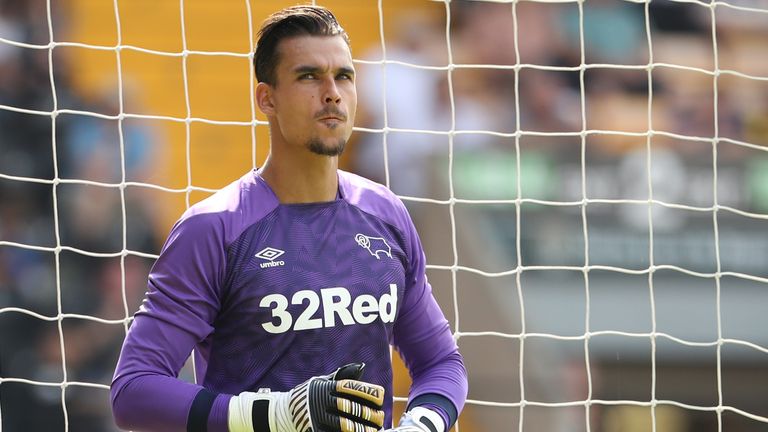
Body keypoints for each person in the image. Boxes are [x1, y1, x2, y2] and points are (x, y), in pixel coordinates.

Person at [110, 5, 468, 432]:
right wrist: (273, 414)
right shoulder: (213, 229)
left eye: (344, 76)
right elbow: (133, 391)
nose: (332, 92)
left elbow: (442, 363)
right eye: (309, 76)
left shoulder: (385, 213)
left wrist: (422, 424)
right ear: (267, 98)